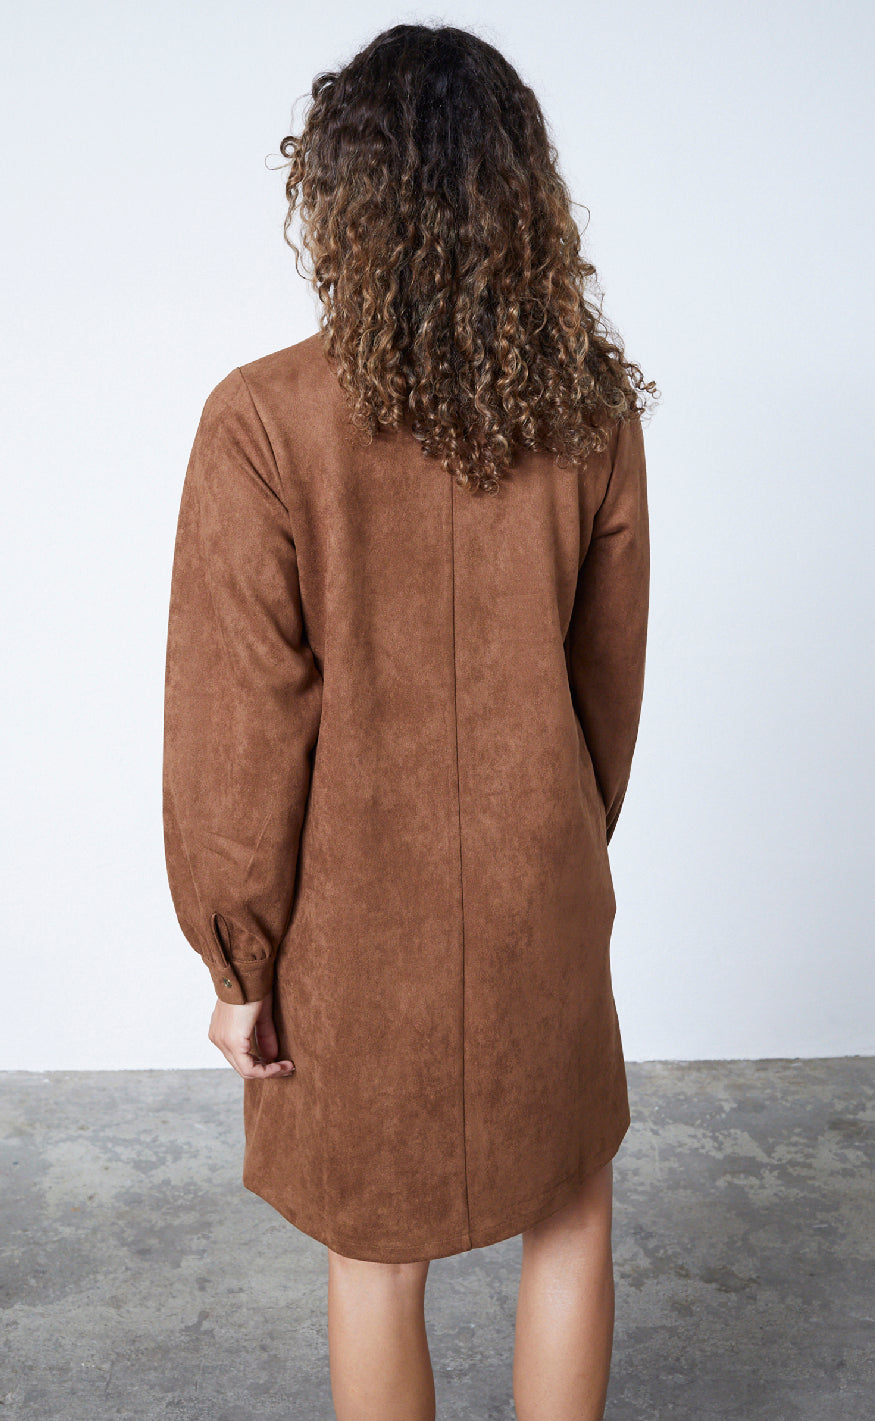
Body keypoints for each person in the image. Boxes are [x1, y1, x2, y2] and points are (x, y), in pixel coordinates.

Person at [162, 22, 657, 1421]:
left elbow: (237, 726)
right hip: (537, 883)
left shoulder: (264, 420)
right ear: (520, 194)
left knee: (375, 1257)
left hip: (353, 918)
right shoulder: (586, 409)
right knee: (572, 1209)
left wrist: (238, 960)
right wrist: (561, 842)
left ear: (343, 201)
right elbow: (607, 681)